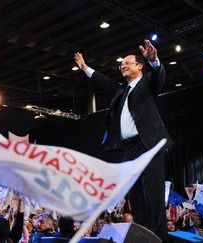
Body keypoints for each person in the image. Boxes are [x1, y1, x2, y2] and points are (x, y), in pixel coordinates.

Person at [74, 39, 172, 241]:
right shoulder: (122, 90)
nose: (122, 66)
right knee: (136, 195)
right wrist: (85, 68)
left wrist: (155, 61)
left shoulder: (146, 83)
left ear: (139, 66)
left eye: (127, 63)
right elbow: (105, 82)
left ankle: (159, 238)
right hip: (129, 148)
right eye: (120, 65)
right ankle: (145, 235)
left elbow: (158, 77)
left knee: (152, 193)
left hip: (148, 144)